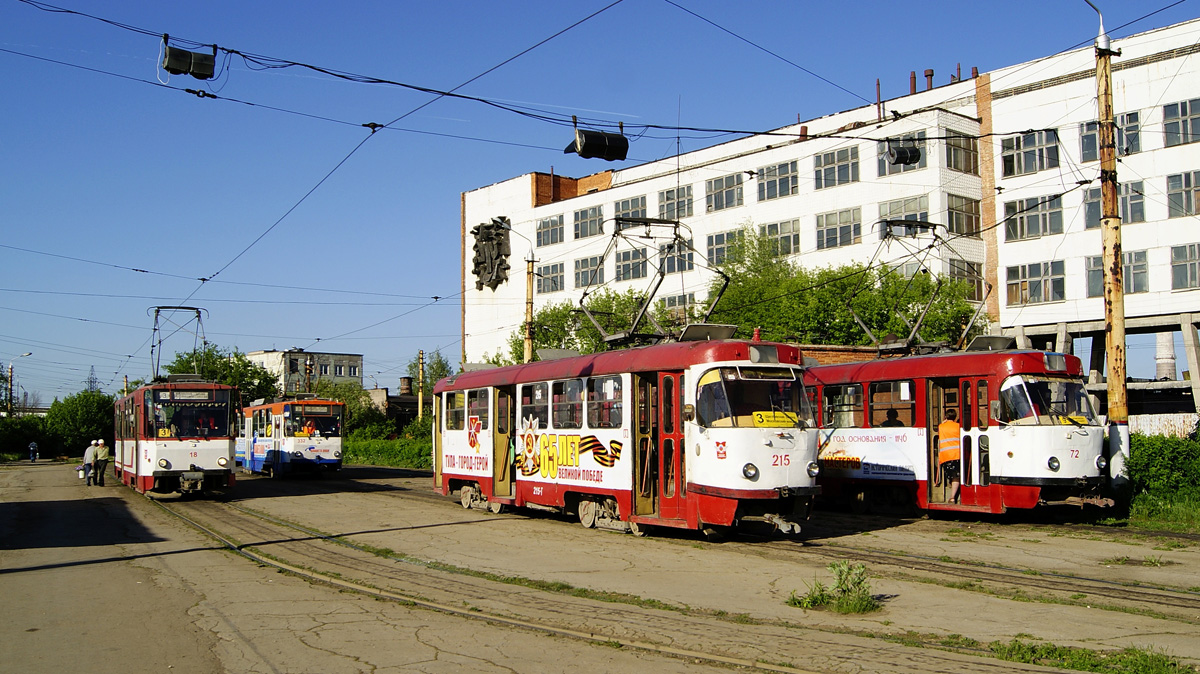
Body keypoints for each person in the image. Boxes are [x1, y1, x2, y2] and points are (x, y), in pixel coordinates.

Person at [937, 409, 961, 504]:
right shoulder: (958, 426)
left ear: (946, 417)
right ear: (955, 417)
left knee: (951, 476)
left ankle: (952, 494)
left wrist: (943, 422)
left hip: (945, 456)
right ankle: (952, 497)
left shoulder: (941, 427)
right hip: (956, 455)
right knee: (956, 477)